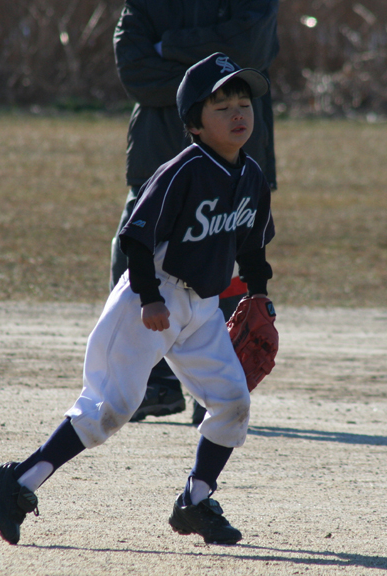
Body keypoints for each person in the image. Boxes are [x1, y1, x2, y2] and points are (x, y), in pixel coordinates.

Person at [0, 53, 275, 546]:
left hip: (203, 308)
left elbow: (251, 247)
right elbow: (136, 237)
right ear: (195, 124)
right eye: (222, 106)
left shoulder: (251, 176)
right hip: (153, 295)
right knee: (111, 407)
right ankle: (18, 482)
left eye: (243, 103)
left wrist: (261, 294)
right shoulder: (183, 171)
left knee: (232, 403)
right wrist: (148, 297)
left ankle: (196, 501)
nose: (237, 114)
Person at [111, 0, 279, 424]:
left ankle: (218, 383)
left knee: (226, 260)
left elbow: (252, 50)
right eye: (212, 102)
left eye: (235, 99)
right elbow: (136, 74)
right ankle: (155, 382)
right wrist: (210, 70)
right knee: (132, 252)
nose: (229, 103)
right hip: (158, 153)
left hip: (234, 160)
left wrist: (167, 48)